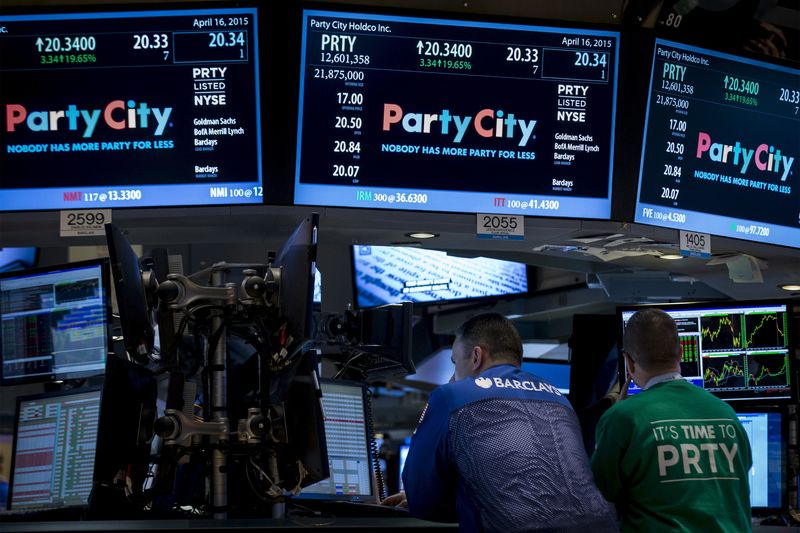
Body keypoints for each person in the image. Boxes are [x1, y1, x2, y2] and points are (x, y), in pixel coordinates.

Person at [384, 312, 618, 532]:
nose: (454, 374)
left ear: (476, 356)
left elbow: (423, 501)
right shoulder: (558, 398)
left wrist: (420, 496)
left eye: (455, 362)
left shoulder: (452, 396)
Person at [591, 308, 752, 532]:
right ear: (681, 352)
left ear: (628, 361)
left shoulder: (622, 417)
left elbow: (600, 496)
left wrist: (612, 420)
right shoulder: (727, 414)